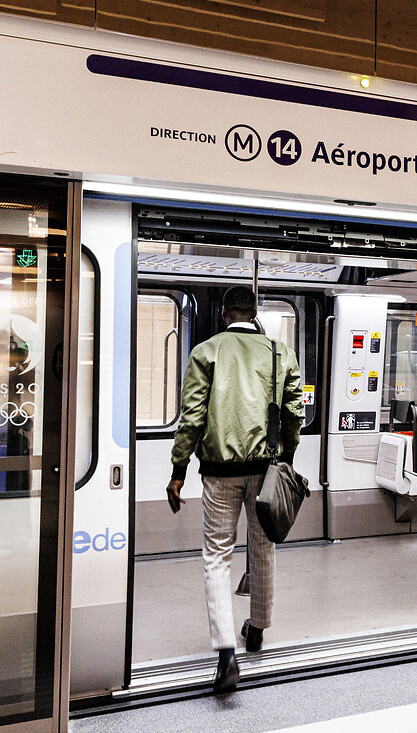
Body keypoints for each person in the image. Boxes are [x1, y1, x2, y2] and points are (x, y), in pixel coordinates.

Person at [165, 286, 304, 693]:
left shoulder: (206, 352)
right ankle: (257, 628)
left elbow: (191, 418)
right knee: (263, 548)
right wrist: (287, 458)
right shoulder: (281, 354)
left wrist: (178, 471)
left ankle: (227, 651)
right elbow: (295, 413)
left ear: (225, 312)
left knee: (217, 557)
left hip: (218, 472)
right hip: (266, 472)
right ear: (255, 311)